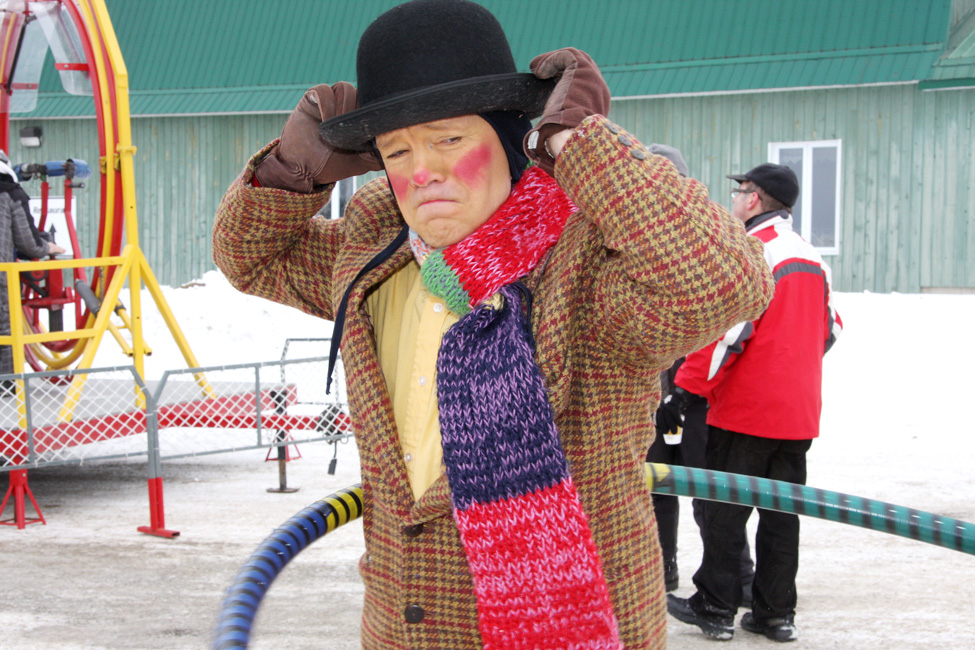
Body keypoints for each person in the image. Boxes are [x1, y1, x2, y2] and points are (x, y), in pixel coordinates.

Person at [212, 1, 774, 647]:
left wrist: (576, 142)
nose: (422, 171)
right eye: (397, 150)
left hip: (577, 622)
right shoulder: (374, 254)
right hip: (404, 626)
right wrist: (292, 169)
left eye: (449, 139)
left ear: (510, 142)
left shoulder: (587, 260)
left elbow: (723, 282)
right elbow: (249, 257)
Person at [664, 163, 843, 643]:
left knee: (726, 510)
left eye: (740, 190)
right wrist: (790, 361)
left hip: (745, 411)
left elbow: (727, 333)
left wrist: (686, 388)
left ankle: (716, 606)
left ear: (756, 199)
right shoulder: (812, 256)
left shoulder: (753, 252)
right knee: (782, 516)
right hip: (798, 413)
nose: (735, 199)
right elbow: (833, 328)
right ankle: (774, 613)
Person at [643, 146, 755, 600]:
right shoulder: (633, 235)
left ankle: (737, 579)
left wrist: (687, 391)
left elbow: (733, 321)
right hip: (654, 390)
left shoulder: (707, 236)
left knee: (706, 488)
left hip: (693, 392)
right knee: (656, 484)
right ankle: (661, 569)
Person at [0, 154, 65, 393]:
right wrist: (48, 247)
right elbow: (28, 244)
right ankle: (6, 387)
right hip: (1, 273)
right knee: (4, 331)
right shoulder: (10, 193)